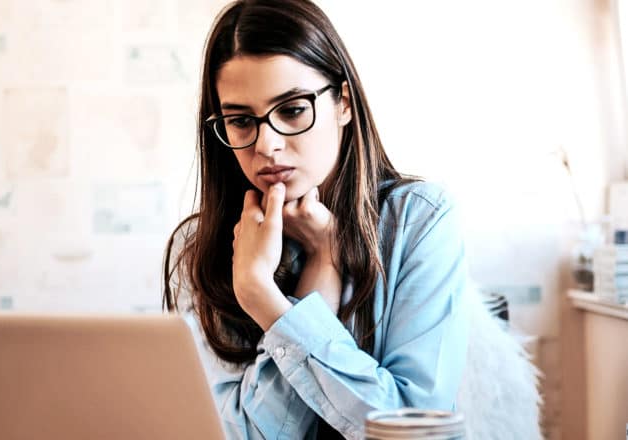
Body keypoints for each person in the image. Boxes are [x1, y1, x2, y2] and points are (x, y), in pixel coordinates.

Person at [162, 1, 469, 438]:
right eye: (241, 120)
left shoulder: (419, 220)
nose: (266, 145)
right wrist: (317, 276)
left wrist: (268, 304)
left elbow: (411, 430)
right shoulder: (200, 246)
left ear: (343, 102)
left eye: (291, 110)